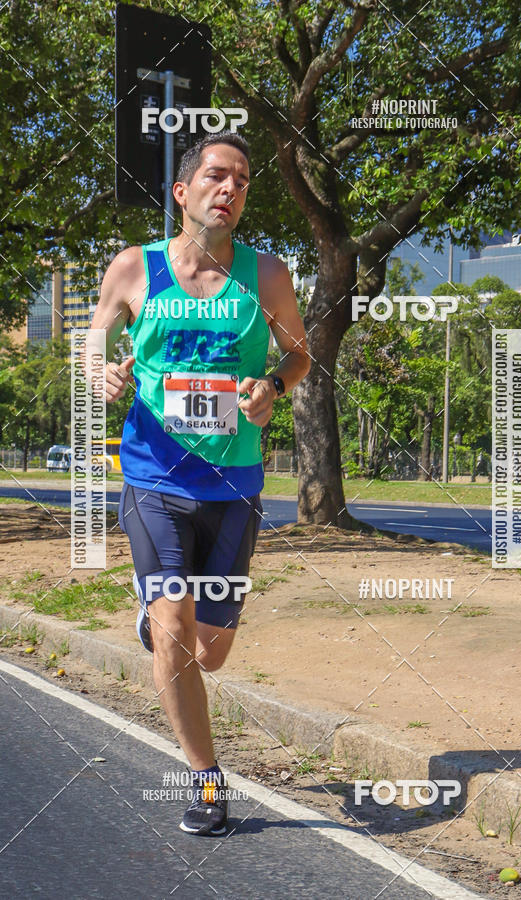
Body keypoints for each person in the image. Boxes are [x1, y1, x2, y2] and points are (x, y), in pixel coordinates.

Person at [90, 132, 310, 835]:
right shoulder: (134, 267)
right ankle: (207, 781)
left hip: (236, 481)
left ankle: (162, 625)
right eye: (217, 176)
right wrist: (103, 372)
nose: (231, 188)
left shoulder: (267, 277)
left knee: (209, 650)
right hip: (153, 476)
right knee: (177, 625)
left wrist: (273, 385)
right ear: (182, 193)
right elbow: (94, 341)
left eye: (242, 181)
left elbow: (299, 354)